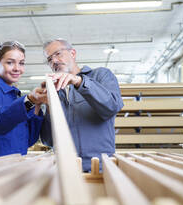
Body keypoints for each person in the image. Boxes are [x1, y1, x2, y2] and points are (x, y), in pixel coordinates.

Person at [34, 38, 123, 172]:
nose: (54, 61)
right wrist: (46, 106)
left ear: (73, 53)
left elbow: (112, 107)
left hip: (99, 168)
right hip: (65, 170)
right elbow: (49, 141)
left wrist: (79, 82)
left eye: (58, 54)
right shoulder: (56, 91)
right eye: (49, 59)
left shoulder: (101, 75)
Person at [0, 41, 44, 161]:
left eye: (21, 63)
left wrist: (36, 105)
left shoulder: (14, 96)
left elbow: (28, 140)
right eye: (10, 62)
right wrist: (29, 100)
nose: (17, 68)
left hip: (14, 167)